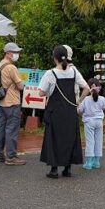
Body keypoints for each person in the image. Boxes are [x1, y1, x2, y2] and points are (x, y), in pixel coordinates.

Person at [38, 45, 89, 178]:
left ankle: (54, 169)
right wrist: (78, 102)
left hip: (55, 112)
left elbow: (41, 92)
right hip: (70, 111)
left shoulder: (50, 73)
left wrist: (48, 91)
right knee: (69, 137)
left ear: (55, 58)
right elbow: (87, 88)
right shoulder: (73, 71)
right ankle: (67, 168)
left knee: (54, 138)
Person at [0, 42, 25, 165]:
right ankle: (11, 157)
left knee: (2, 128)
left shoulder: (0, 64)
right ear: (8, 53)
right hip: (12, 101)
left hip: (2, 102)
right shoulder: (11, 67)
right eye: (15, 52)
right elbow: (20, 86)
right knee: (11, 129)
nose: (17, 54)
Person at [78, 79, 105, 169]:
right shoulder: (102, 99)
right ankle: (97, 162)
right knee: (98, 141)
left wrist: (78, 104)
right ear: (99, 88)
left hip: (89, 122)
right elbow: (104, 108)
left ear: (89, 88)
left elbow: (80, 111)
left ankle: (89, 163)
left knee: (90, 142)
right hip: (99, 121)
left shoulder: (86, 99)